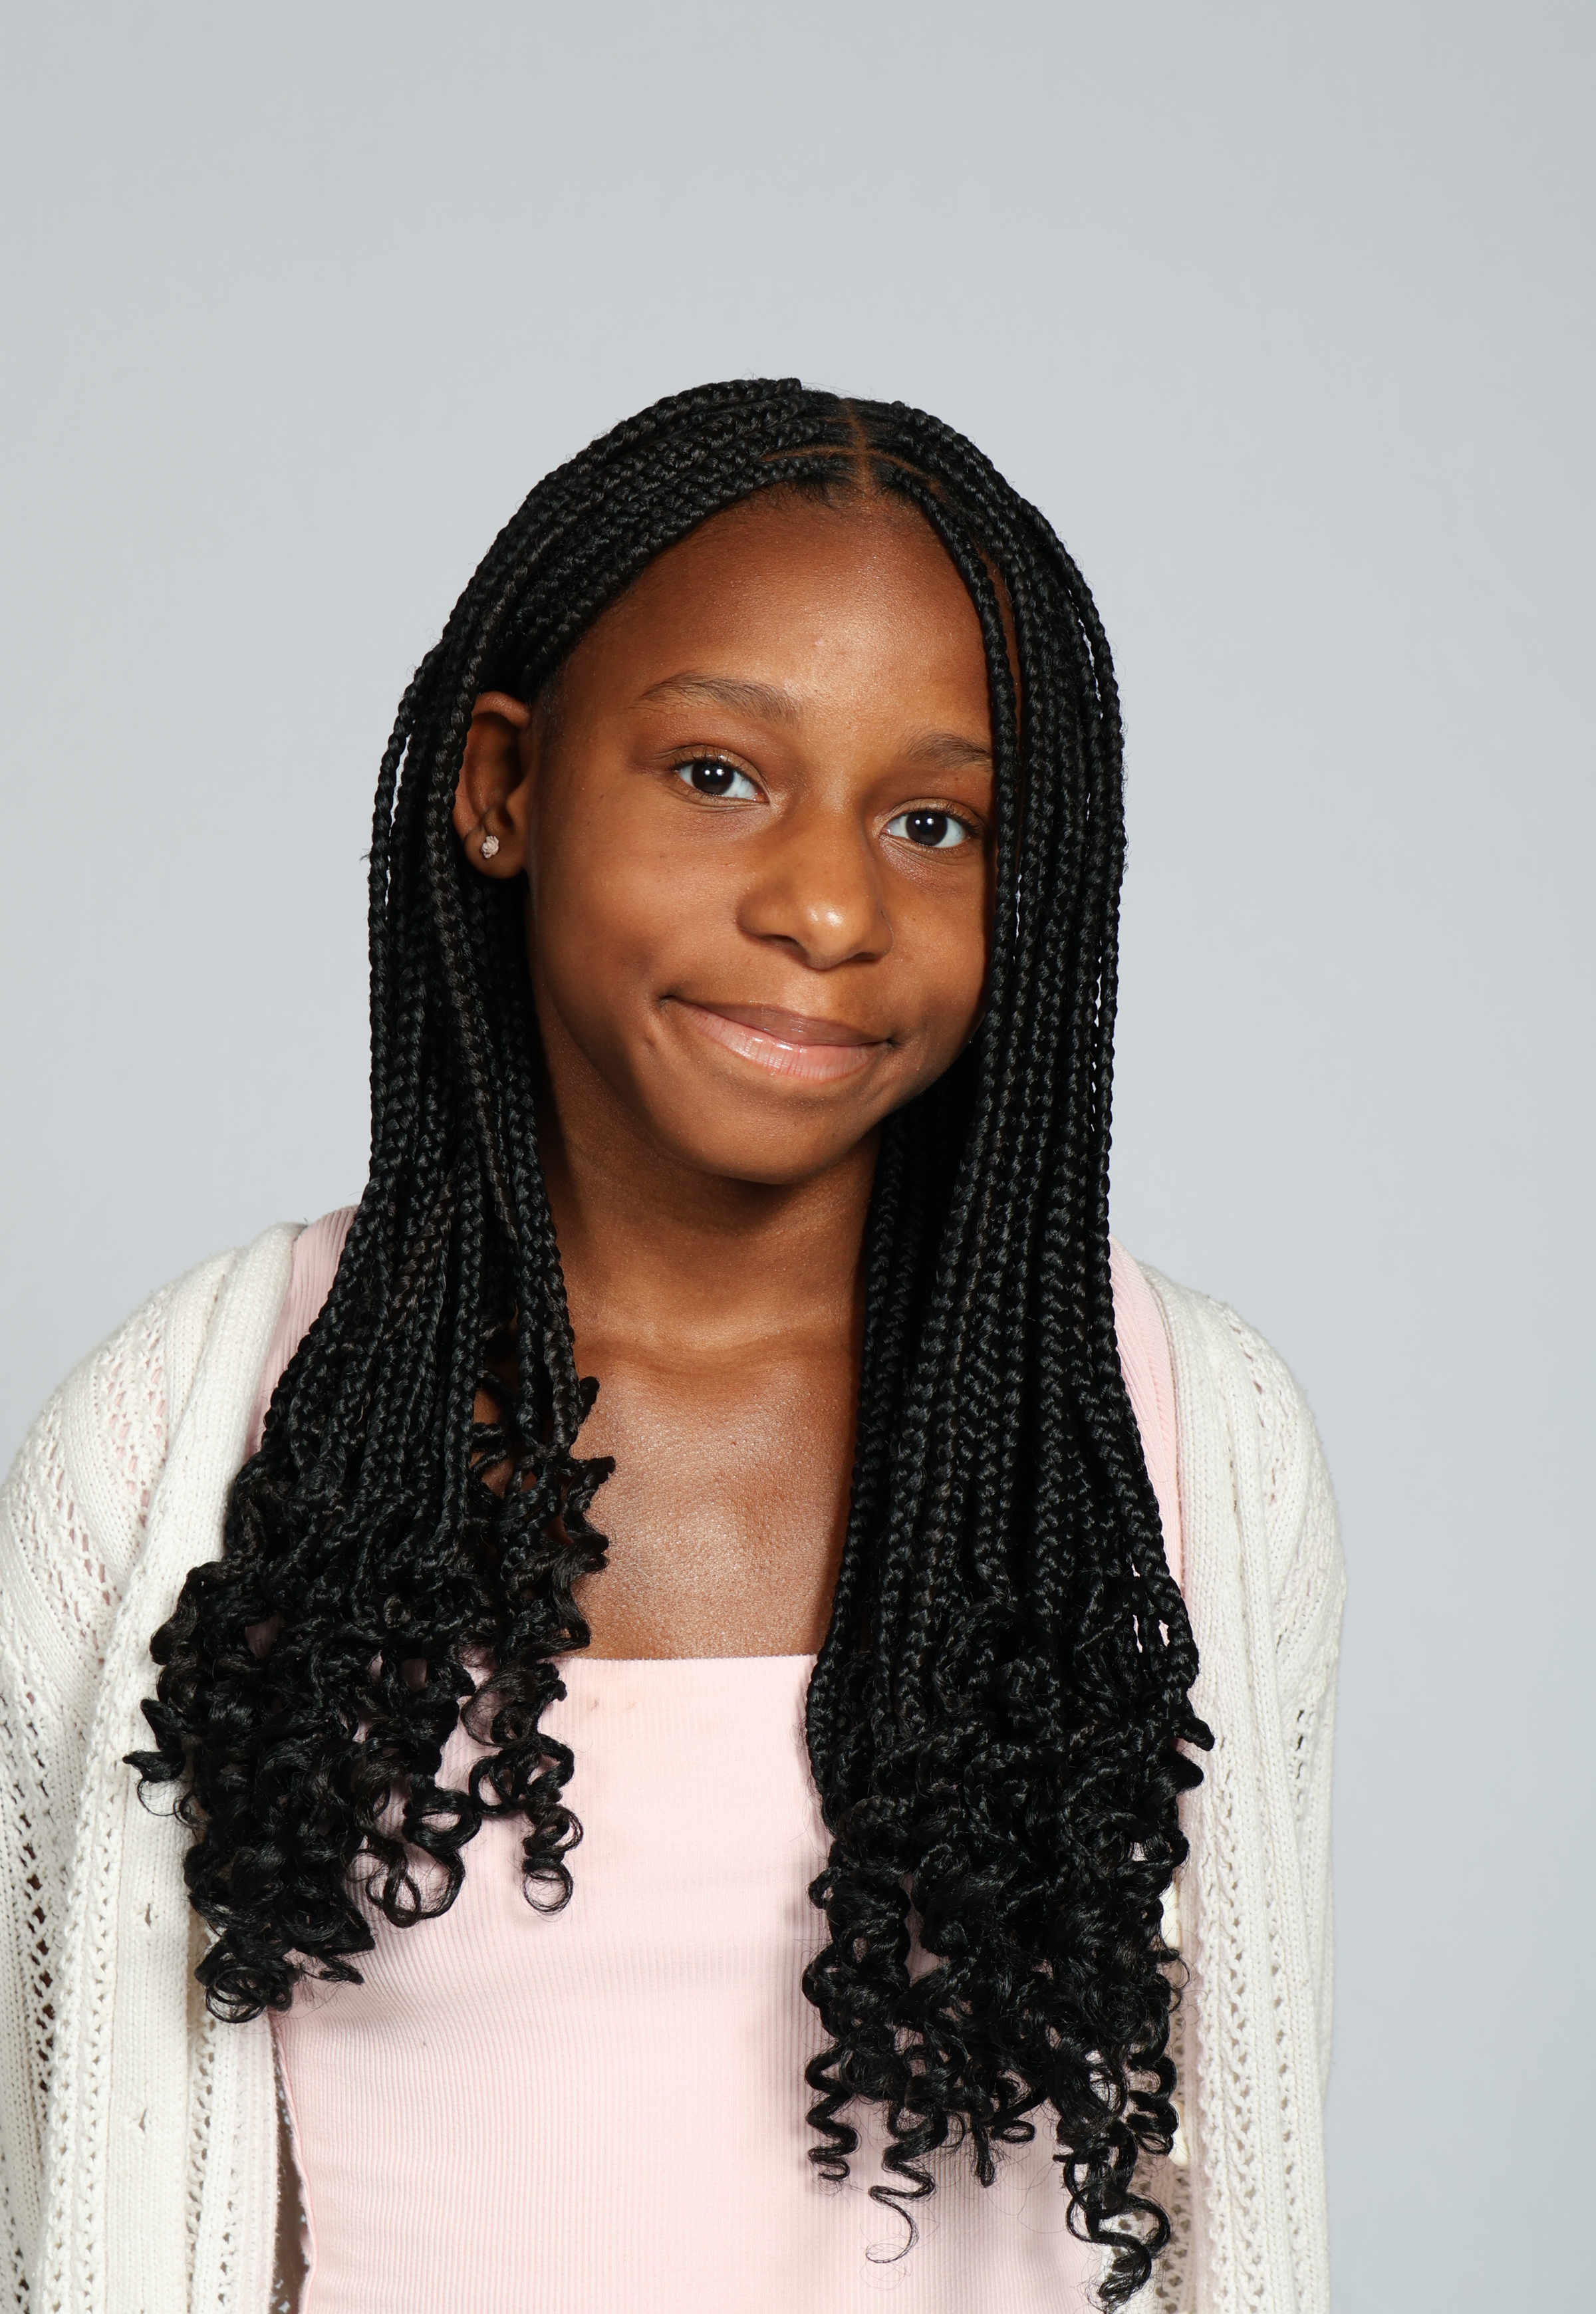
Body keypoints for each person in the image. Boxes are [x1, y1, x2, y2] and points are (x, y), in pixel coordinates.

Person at [0, 383, 1345, 2314]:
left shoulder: (1179, 1447)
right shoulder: (178, 1447)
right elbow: (103, 2182)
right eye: (719, 773)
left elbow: (1236, 2182)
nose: (828, 905)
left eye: (935, 822)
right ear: (502, 787)